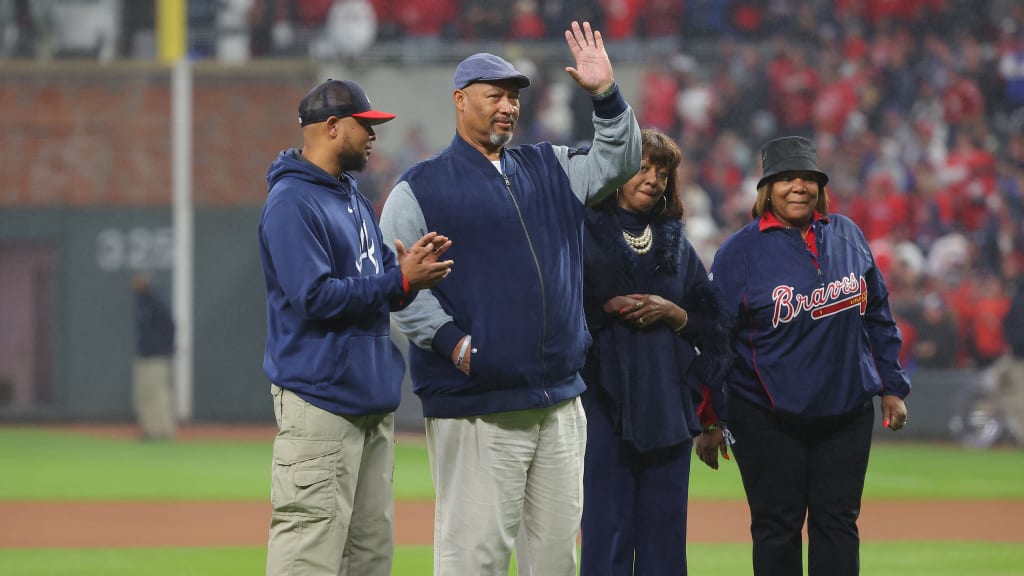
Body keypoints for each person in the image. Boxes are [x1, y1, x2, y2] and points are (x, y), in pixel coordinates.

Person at [379, 21, 641, 576]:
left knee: (553, 562)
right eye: (494, 95)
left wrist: (605, 95)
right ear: (459, 100)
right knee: (475, 558)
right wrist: (455, 345)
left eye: (514, 97)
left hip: (560, 403)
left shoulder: (548, 166)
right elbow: (394, 284)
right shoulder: (421, 188)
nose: (507, 107)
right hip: (480, 408)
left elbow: (619, 162)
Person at [257, 78, 454, 576]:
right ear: (330, 127)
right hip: (320, 399)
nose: (373, 136)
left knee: (368, 559)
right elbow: (314, 298)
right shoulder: (292, 202)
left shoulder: (353, 197)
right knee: (309, 552)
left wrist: (403, 279)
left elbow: (372, 290)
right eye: (364, 126)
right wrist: (398, 281)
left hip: (368, 398)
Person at [703, 136, 911, 576]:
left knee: (837, 524)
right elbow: (714, 340)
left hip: (846, 409)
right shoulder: (739, 252)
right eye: (785, 178)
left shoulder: (848, 235)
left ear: (820, 186)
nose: (797, 187)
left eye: (807, 178)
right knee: (777, 527)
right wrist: (709, 416)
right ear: (766, 189)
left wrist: (892, 387)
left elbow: (878, 316)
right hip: (765, 414)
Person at [579, 128, 731, 576]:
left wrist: (675, 314)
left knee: (665, 542)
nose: (653, 178)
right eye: (643, 167)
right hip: (602, 402)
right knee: (606, 534)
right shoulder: (582, 229)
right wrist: (601, 309)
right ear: (615, 170)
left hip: (667, 406)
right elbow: (559, 305)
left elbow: (714, 326)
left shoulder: (676, 243)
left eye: (662, 172)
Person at [131, 272, 176, 441]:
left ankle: (164, 430)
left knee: (159, 393)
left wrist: (167, 348)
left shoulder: (155, 301)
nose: (135, 283)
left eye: (139, 279)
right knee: (144, 394)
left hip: (157, 356)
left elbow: (170, 324)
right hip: (143, 355)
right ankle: (149, 429)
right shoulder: (140, 301)